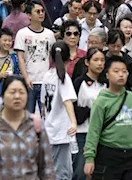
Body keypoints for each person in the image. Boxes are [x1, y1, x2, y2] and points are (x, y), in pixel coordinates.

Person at [0, 76, 55, 179]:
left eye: (21, 92)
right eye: (12, 92)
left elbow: (47, 167)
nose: (17, 96)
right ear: (2, 96)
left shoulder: (36, 125)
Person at [83, 56, 132, 180]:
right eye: (116, 71)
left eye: (124, 71)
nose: (121, 75)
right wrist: (89, 158)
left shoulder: (131, 98)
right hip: (108, 154)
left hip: (130, 154)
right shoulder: (101, 101)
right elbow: (94, 131)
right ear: (107, 75)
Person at [42, 42, 78, 180]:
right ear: (68, 59)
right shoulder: (63, 78)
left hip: (50, 127)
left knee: (55, 169)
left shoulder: (47, 76)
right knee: (62, 172)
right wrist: (73, 122)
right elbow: (67, 100)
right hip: (61, 130)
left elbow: (43, 105)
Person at [15, 2, 56, 113]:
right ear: (29, 15)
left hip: (46, 81)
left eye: (42, 11)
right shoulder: (22, 33)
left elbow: (52, 58)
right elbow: (20, 58)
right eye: (37, 11)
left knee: (46, 114)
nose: (41, 13)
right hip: (30, 81)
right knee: (28, 115)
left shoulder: (50, 34)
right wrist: (26, 77)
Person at [72, 48, 107, 180]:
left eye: (102, 60)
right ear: (87, 62)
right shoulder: (79, 83)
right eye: (96, 60)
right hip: (83, 132)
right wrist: (91, 110)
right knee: (81, 172)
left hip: (103, 134)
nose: (100, 64)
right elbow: (72, 108)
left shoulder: (106, 83)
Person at [0, 28, 21, 95]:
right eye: (5, 40)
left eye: (10, 41)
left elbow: (19, 72)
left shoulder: (14, 57)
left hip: (13, 90)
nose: (7, 43)